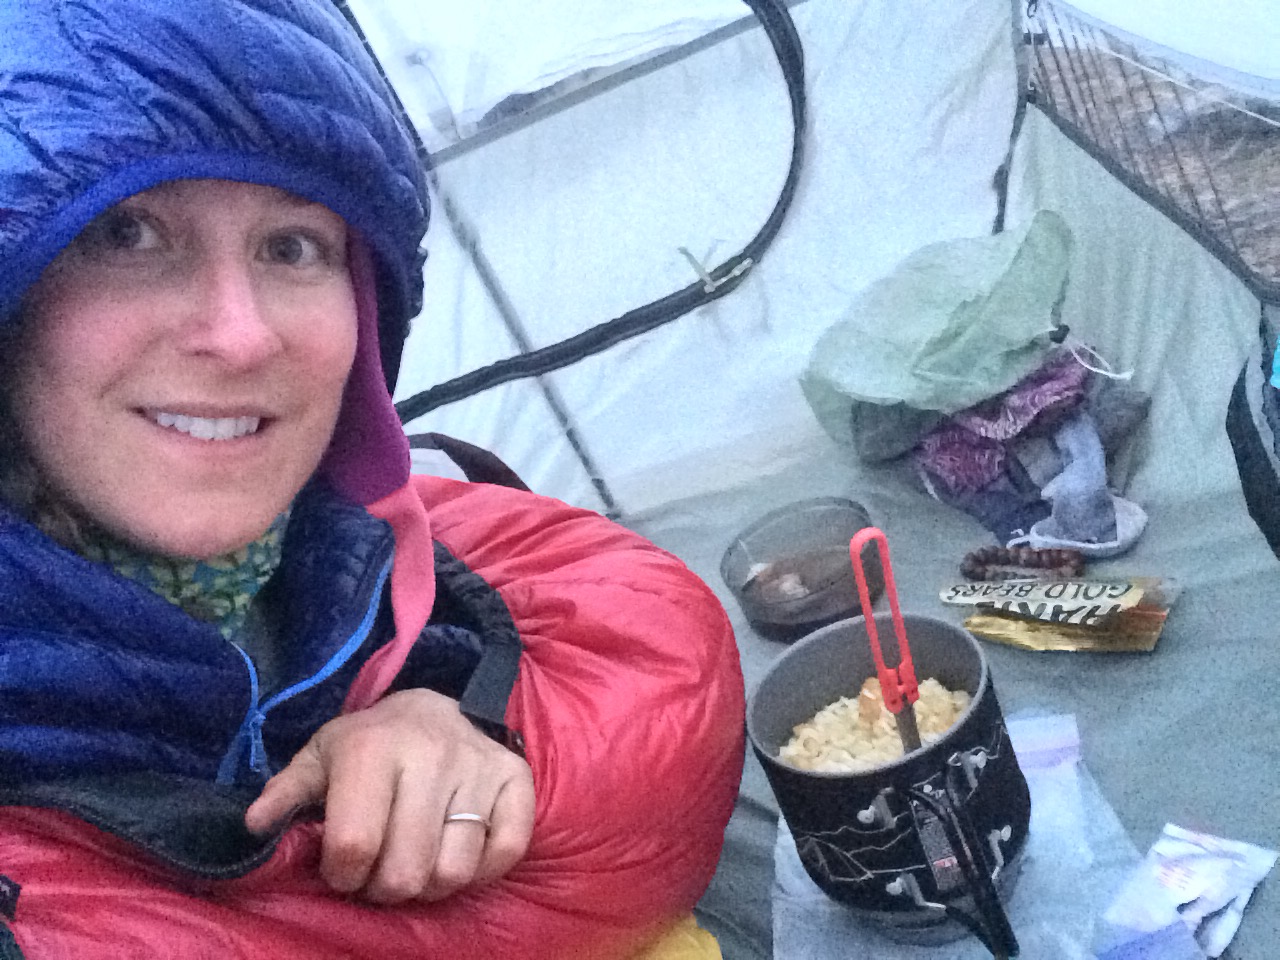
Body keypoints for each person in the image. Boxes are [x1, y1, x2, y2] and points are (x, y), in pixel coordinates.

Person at [0, 2, 744, 958]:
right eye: (126, 234)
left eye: (292, 246)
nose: (241, 335)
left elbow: (654, 650)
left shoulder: (354, 549)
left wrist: (465, 718)